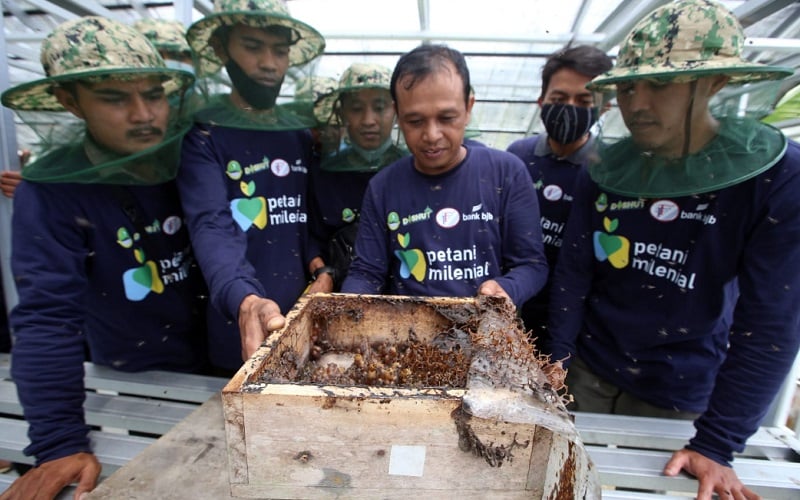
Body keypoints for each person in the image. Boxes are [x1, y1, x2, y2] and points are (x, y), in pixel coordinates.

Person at [546, 1, 800, 498]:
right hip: (590, 371)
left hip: (680, 387)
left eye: (659, 86)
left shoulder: (775, 177)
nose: (637, 103)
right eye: (627, 86)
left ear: (715, 83)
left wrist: (718, 440)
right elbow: (575, 271)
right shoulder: (607, 169)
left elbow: (772, 318)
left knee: (650, 489)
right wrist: (558, 357)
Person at [0, 16, 208, 500]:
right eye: (115, 98)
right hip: (135, 368)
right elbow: (47, 316)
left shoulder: (195, 153)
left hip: (222, 354)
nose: (143, 114)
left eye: (154, 94)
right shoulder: (53, 194)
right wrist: (58, 442)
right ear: (68, 100)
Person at [178, 0, 329, 374]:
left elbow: (306, 217)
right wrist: (245, 299)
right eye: (252, 46)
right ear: (220, 47)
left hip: (301, 318)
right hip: (241, 328)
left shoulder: (295, 134)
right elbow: (211, 224)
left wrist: (323, 265)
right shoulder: (204, 137)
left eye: (279, 51)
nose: (268, 63)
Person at [341, 44, 548, 308]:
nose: (432, 135)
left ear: (468, 106)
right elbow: (367, 272)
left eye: (447, 117)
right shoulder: (383, 186)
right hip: (407, 336)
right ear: (397, 114)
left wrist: (506, 288)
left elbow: (531, 265)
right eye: (415, 121)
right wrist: (350, 307)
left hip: (485, 332)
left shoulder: (506, 172)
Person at [506, 45, 612, 344]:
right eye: (559, 98)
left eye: (583, 100)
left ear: (603, 107)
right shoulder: (518, 157)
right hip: (513, 303)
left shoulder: (605, 171)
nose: (570, 108)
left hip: (571, 317)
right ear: (541, 102)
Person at [309, 63, 409, 289]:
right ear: (342, 112)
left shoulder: (414, 170)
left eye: (380, 107)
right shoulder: (324, 174)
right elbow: (313, 237)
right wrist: (322, 272)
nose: (368, 120)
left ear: (396, 110)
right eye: (356, 108)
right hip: (344, 296)